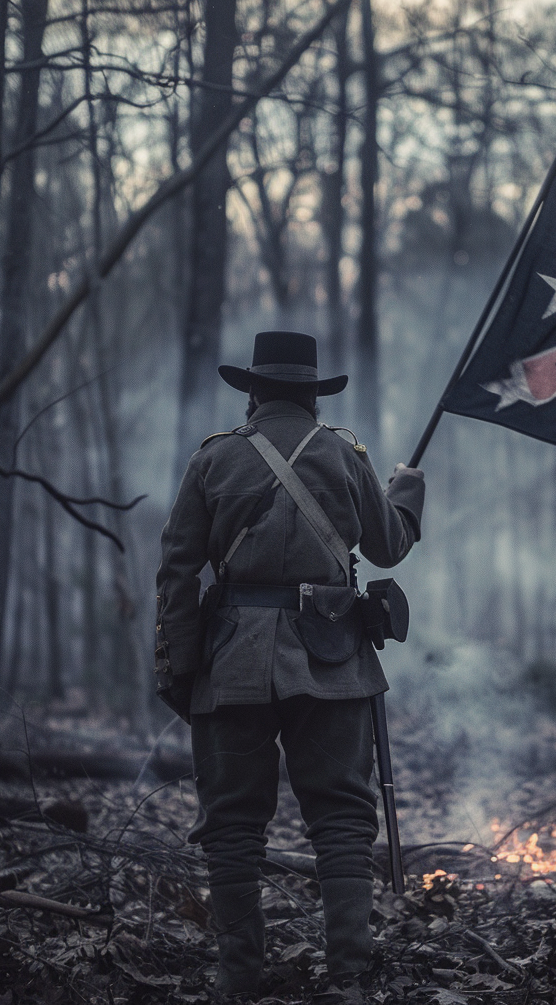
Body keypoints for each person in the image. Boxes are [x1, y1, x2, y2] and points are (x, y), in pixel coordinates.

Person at [154, 331, 425, 996]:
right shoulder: (343, 454)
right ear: (311, 393)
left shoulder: (212, 461)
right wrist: (407, 494)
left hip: (231, 662)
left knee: (234, 827)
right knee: (340, 819)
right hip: (331, 658)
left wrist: (179, 671)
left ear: (252, 393)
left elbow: (176, 572)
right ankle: (351, 978)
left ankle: (240, 981)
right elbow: (389, 547)